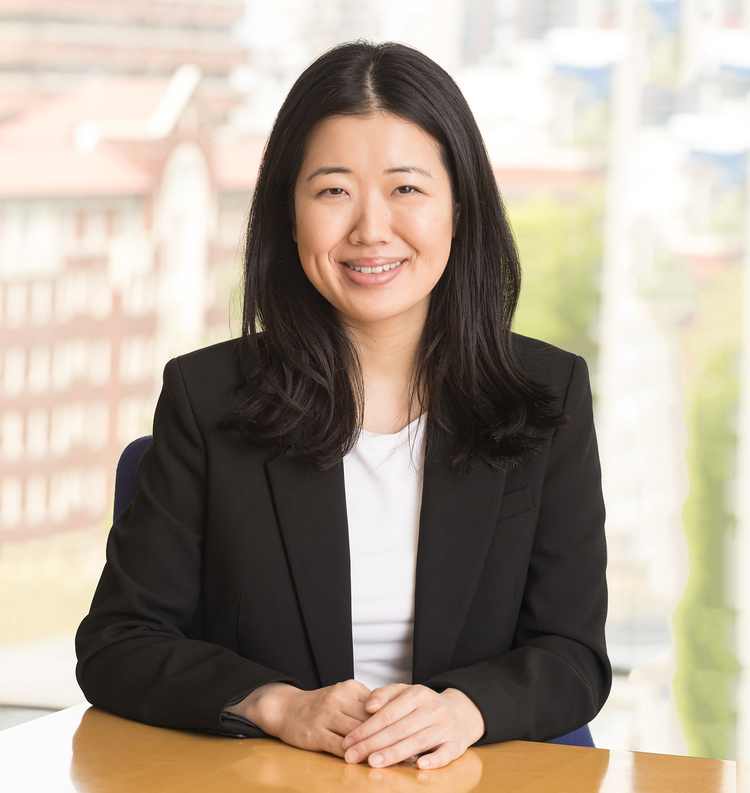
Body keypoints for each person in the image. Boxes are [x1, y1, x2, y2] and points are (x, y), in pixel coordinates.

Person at [75, 40, 610, 771]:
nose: (370, 228)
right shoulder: (207, 400)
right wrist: (277, 703)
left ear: (461, 206)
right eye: (332, 190)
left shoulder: (548, 396)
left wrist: (460, 708)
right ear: (288, 215)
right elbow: (118, 644)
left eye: (407, 189)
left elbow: (573, 653)